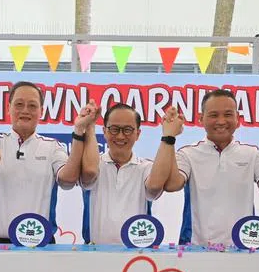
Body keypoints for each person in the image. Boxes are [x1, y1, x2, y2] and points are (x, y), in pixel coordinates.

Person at [0, 81, 71, 243]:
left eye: (32, 106)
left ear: (41, 111)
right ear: (8, 108)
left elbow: (67, 179)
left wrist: (80, 134)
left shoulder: (53, 147)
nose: (25, 111)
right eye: (19, 104)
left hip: (41, 244)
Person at [167, 89, 259, 245]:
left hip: (243, 248)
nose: (221, 121)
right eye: (214, 115)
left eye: (228, 114)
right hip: (196, 248)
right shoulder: (187, 154)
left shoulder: (251, 153)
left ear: (238, 119)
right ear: (201, 119)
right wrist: (169, 136)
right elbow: (172, 185)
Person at [58, 101, 178, 244]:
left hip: (136, 252)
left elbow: (154, 187)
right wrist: (89, 126)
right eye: (114, 129)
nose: (120, 136)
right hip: (95, 252)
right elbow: (89, 172)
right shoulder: (93, 164)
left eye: (127, 130)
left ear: (138, 133)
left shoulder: (146, 168)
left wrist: (168, 136)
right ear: (104, 131)